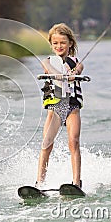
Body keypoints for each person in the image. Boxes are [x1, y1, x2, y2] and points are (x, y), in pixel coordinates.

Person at [36, 23, 84, 189]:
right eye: (55, 43)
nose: (59, 46)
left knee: (74, 142)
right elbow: (47, 67)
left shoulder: (76, 62)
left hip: (72, 109)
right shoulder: (48, 61)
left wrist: (73, 74)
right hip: (55, 110)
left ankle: (76, 183)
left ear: (70, 43)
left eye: (62, 43)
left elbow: (79, 68)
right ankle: (39, 183)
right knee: (46, 144)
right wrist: (57, 74)